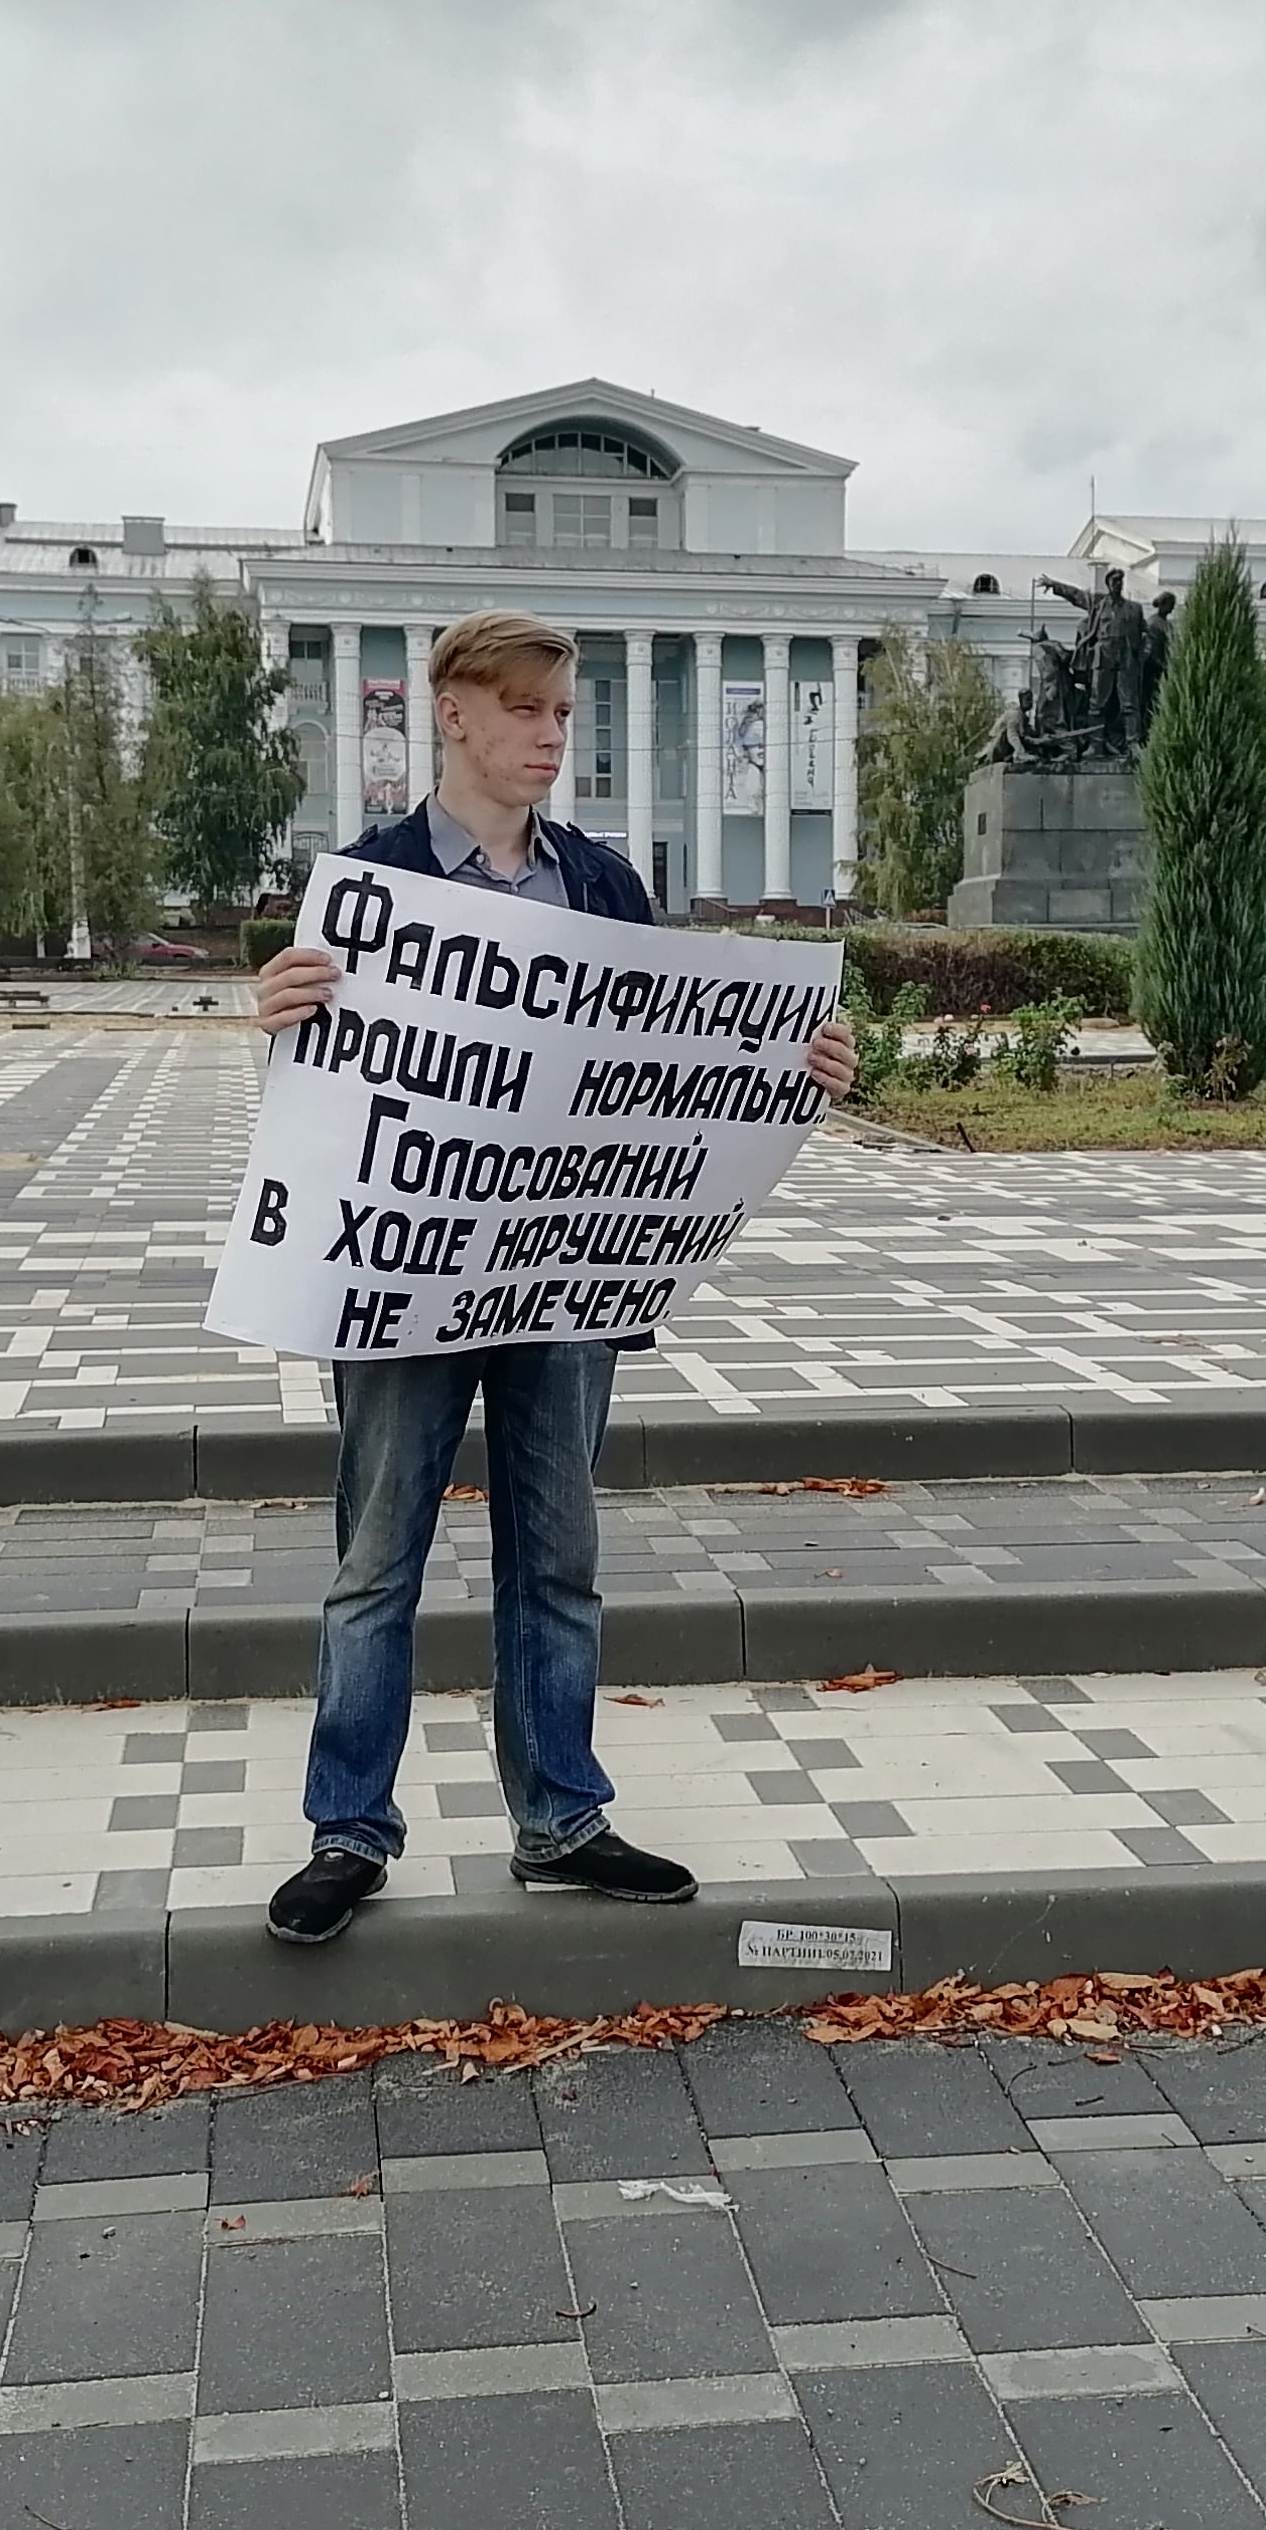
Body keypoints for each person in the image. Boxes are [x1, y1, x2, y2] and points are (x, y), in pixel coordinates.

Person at [246, 609, 861, 1947]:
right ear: (451, 713)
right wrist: (281, 1023)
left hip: (564, 1283)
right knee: (373, 1564)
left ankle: (561, 1819)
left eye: (563, 714)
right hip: (407, 1287)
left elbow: (666, 1074)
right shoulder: (369, 888)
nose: (548, 736)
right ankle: (349, 1830)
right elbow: (334, 1111)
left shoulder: (604, 888)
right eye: (523, 709)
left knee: (560, 1560)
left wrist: (794, 1074)